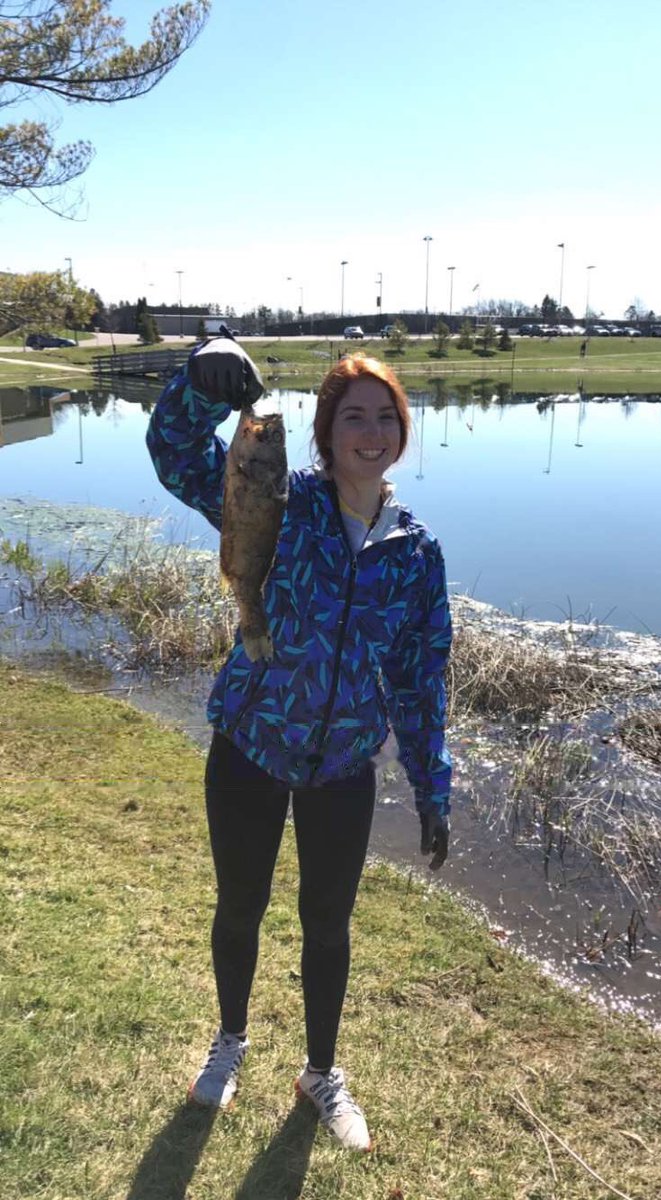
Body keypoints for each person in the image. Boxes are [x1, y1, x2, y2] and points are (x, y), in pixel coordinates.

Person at [146, 339, 453, 1152]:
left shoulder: (415, 554)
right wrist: (199, 385)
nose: (370, 430)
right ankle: (230, 1042)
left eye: (384, 416)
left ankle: (320, 1072)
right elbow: (176, 456)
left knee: (328, 921)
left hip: (344, 764)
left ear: (400, 432)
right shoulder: (279, 500)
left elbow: (421, 685)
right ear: (324, 432)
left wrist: (434, 793)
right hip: (250, 742)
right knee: (239, 904)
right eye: (352, 416)